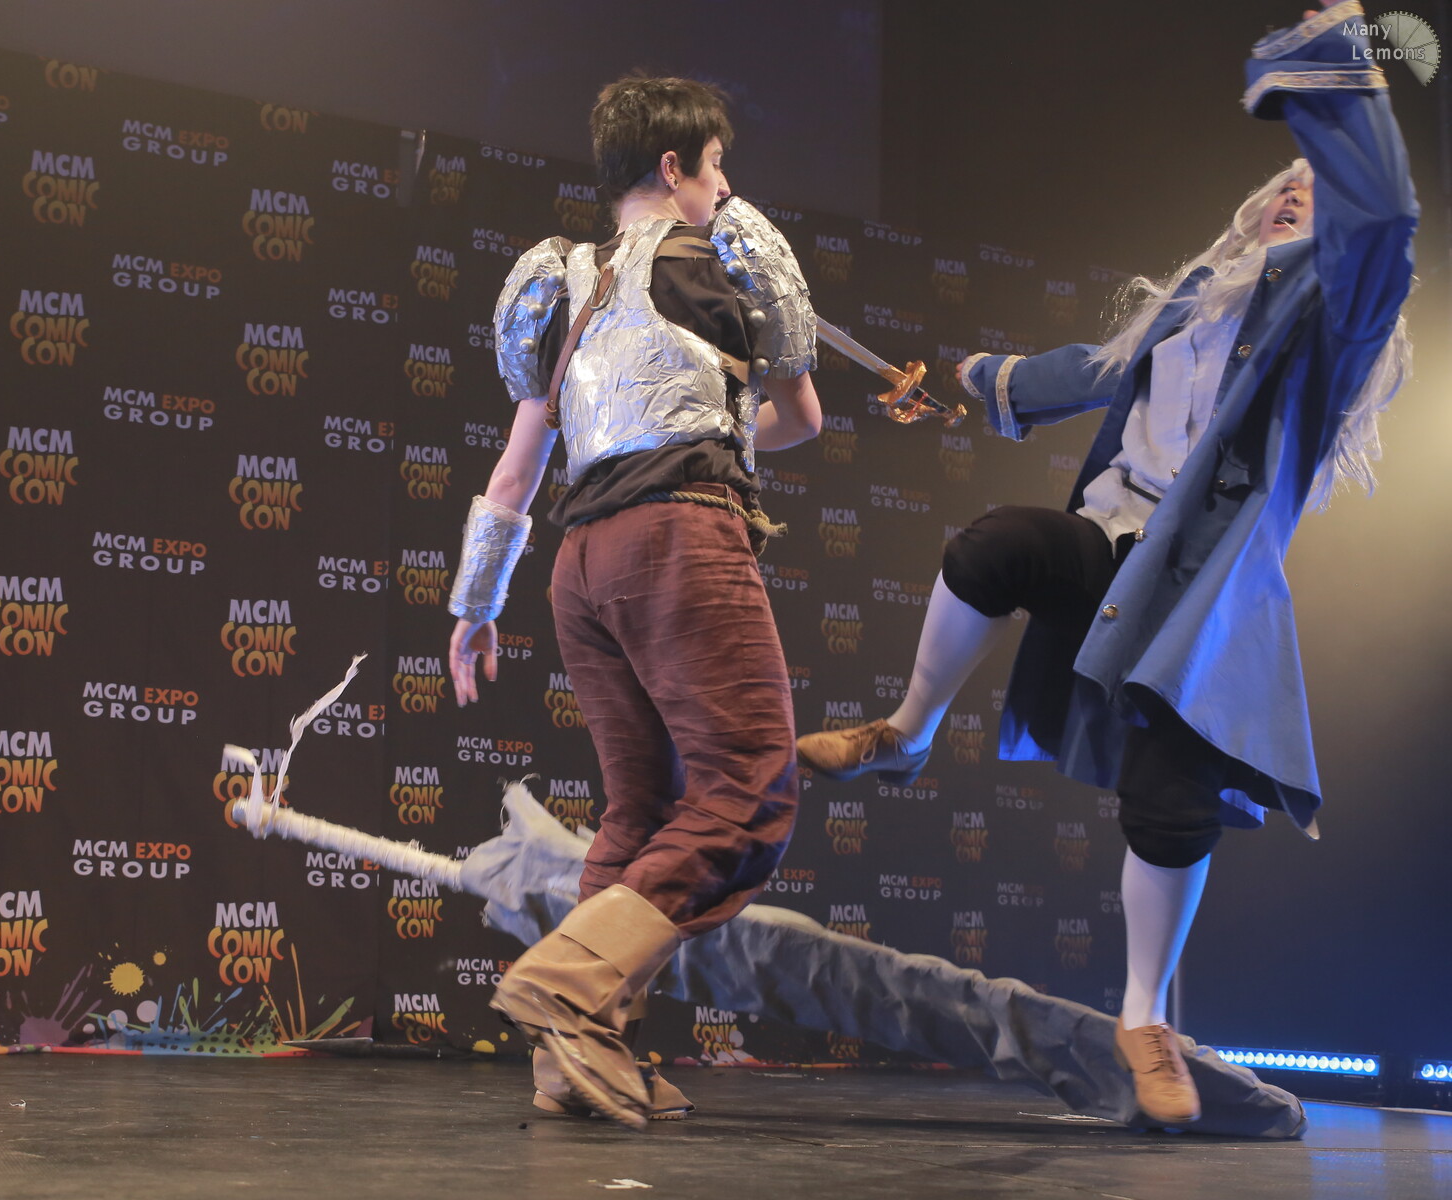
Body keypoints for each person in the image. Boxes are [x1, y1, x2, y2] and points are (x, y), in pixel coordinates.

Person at [798, 2, 1413, 1126]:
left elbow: (1384, 220)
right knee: (997, 544)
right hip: (1110, 545)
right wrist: (982, 380)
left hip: (1198, 599)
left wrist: (1341, 66)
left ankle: (1143, 1020)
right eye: (1285, 184)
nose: (1296, 192)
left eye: (1316, 187)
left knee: (1170, 806)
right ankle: (908, 733)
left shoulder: (1332, 329)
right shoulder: (1192, 303)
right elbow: (1093, 368)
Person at [447, 74, 823, 1129]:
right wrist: (731, 415)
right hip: (679, 538)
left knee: (640, 811)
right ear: (675, 167)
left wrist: (475, 604)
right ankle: (571, 986)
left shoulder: (560, 284)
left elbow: (519, 467)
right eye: (717, 165)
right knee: (749, 790)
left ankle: (569, 1057)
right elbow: (803, 417)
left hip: (581, 566)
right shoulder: (721, 262)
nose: (725, 186)